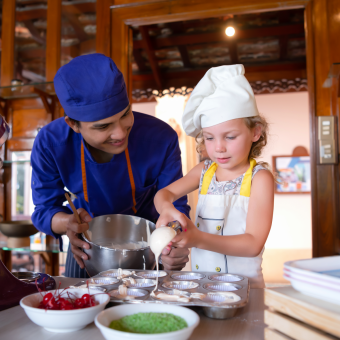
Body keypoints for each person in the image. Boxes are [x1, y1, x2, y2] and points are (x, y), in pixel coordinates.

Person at [31, 53, 190, 278]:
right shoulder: (51, 142)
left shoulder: (161, 138)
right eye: (103, 126)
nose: (119, 133)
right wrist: (68, 222)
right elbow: (44, 210)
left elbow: (177, 207)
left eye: (125, 114)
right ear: (73, 124)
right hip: (86, 249)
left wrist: (175, 241)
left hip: (151, 251)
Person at [154, 64, 274, 288]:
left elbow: (253, 244)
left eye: (230, 136)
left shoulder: (259, 178)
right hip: (202, 286)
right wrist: (167, 209)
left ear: (255, 132)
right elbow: (164, 193)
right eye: (209, 138)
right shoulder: (204, 172)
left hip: (245, 289)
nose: (219, 148)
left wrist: (198, 239)